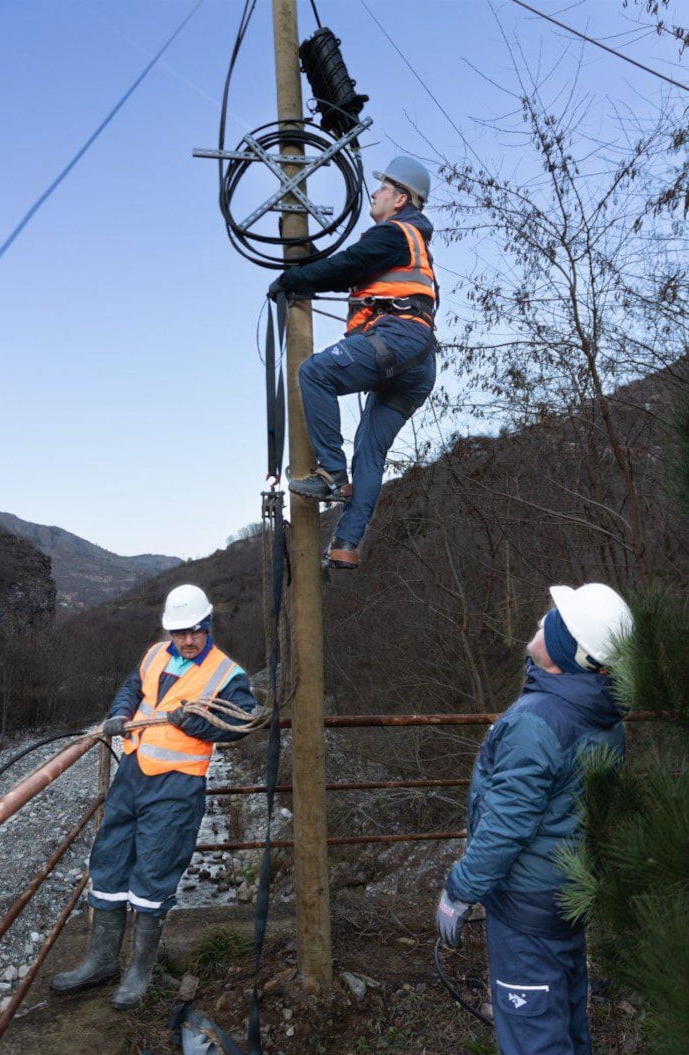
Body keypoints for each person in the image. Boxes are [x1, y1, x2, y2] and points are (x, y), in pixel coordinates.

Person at [436, 583, 634, 1055]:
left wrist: (460, 890)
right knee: (565, 1021)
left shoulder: (538, 721)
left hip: (526, 910)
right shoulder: (603, 715)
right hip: (567, 897)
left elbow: (506, 826)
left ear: (566, 647)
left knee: (534, 1039)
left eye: (553, 619)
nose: (541, 620)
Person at [50, 584, 256, 1010]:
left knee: (154, 870)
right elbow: (132, 688)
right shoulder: (154, 655)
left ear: (208, 625)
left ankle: (139, 970)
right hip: (133, 772)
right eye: (179, 632)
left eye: (195, 631)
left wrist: (195, 724)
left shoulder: (227, 674)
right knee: (108, 859)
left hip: (177, 786)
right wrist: (119, 715)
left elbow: (241, 723)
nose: (187, 640)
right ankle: (102, 961)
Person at [268, 155, 438, 570]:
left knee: (315, 373)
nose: (375, 193)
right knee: (370, 450)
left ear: (400, 199)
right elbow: (357, 271)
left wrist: (292, 280)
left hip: (398, 341)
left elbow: (347, 265)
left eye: (382, 188)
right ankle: (346, 543)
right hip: (417, 362)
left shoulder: (395, 233)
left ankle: (330, 475)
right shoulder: (413, 248)